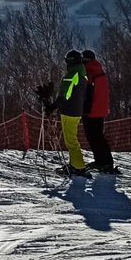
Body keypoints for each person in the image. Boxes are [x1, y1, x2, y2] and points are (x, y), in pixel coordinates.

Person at [57, 49, 90, 177]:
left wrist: (54, 105)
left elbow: (65, 94)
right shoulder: (81, 73)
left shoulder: (72, 75)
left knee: (71, 140)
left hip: (69, 111)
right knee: (71, 139)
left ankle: (79, 167)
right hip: (76, 111)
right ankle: (74, 164)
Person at [82, 49, 114, 173]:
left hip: (91, 111)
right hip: (101, 110)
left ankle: (102, 162)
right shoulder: (100, 72)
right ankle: (105, 161)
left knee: (93, 137)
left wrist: (84, 109)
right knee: (99, 137)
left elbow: (88, 93)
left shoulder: (89, 72)